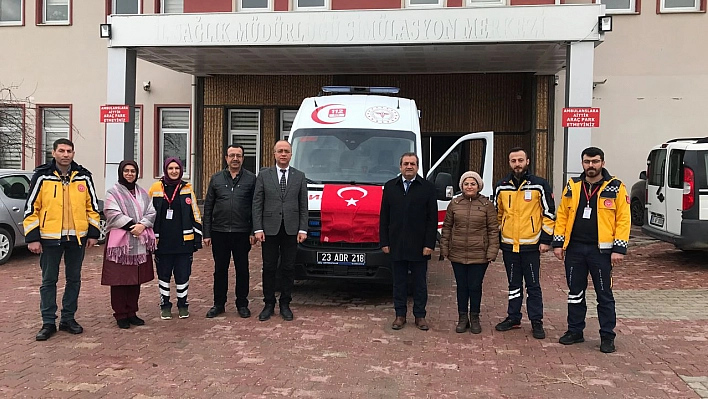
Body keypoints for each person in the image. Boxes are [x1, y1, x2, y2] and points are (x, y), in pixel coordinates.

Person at [552, 147, 630, 354]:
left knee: (604, 294)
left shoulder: (616, 187)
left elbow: (623, 219)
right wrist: (558, 244)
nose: (591, 165)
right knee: (575, 293)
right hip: (575, 249)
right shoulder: (573, 185)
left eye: (595, 161)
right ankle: (575, 331)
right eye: (587, 162)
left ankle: (607, 336)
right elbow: (562, 215)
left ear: (603, 163)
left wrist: (619, 248)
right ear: (582, 163)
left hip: (601, 252)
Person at [24, 138, 101, 341]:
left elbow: (92, 207)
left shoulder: (83, 176)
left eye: (69, 151)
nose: (65, 154)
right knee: (49, 281)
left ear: (73, 154)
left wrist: (93, 233)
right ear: (54, 153)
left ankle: (68, 319)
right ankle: (48, 322)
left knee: (74, 279)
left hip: (76, 239)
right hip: (49, 238)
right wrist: (33, 238)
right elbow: (32, 209)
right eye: (61, 150)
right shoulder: (42, 176)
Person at [493, 147, 555, 340]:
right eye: (513, 161)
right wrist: (497, 239)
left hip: (531, 245)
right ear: (509, 163)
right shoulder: (501, 186)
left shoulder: (539, 185)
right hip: (509, 245)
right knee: (513, 284)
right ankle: (513, 317)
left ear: (527, 161)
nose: (517, 164)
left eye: (520, 160)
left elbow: (549, 213)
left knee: (533, 285)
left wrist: (546, 240)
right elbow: (497, 214)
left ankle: (537, 321)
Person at [379, 152, 437, 331]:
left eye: (412, 163)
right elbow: (384, 217)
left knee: (419, 283)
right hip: (396, 244)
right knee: (399, 283)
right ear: (400, 167)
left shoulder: (427, 188)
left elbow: (432, 219)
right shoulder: (390, 187)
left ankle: (420, 316)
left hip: (420, 246)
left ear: (417, 167)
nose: (409, 166)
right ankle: (400, 315)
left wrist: (429, 244)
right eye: (406, 164)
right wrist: (384, 242)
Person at [252, 140, 308, 322]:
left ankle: (285, 303)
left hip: (291, 229)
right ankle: (268, 304)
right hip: (269, 229)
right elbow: (257, 203)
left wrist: (303, 228)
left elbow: (303, 205)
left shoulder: (299, 176)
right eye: (280, 151)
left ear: (291, 154)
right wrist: (258, 228)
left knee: (288, 267)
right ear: (274, 154)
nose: (283, 154)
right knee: (269, 267)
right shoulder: (263, 175)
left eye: (287, 151)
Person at [440, 171, 499, 334]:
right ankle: (462, 317)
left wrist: (492, 250)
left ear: (478, 186)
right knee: (461, 286)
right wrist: (444, 248)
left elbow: (493, 230)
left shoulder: (487, 205)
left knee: (474, 286)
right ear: (462, 186)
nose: (469, 186)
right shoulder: (455, 203)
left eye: (473, 183)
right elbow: (447, 227)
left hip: (479, 255)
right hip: (457, 253)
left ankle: (474, 317)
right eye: (466, 184)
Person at [203, 144, 257, 319]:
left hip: (242, 233)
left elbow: (256, 207)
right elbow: (208, 207)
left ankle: (242, 304)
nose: (235, 158)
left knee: (242, 269)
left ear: (243, 158)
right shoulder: (216, 179)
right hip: (219, 232)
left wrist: (253, 231)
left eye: (239, 155)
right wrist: (207, 233)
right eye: (232, 155)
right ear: (226, 158)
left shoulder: (251, 179)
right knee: (220, 270)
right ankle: (219, 304)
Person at [101, 160, 157, 329]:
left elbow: (151, 211)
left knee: (135, 279)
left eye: (133, 171)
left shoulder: (142, 192)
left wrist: (142, 225)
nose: (130, 174)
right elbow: (111, 212)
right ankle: (120, 314)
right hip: (120, 244)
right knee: (120, 280)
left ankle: (132, 312)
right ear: (121, 172)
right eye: (126, 171)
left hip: (138, 240)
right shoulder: (113, 192)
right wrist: (133, 226)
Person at [148, 157, 202, 320]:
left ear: (181, 170)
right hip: (162, 241)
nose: (173, 171)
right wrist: (150, 237)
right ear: (165, 169)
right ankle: (165, 305)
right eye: (170, 168)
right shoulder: (155, 188)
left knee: (183, 274)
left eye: (177, 168)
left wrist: (197, 238)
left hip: (183, 241)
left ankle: (182, 304)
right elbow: (148, 214)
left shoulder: (187, 188)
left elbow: (196, 214)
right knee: (163, 275)